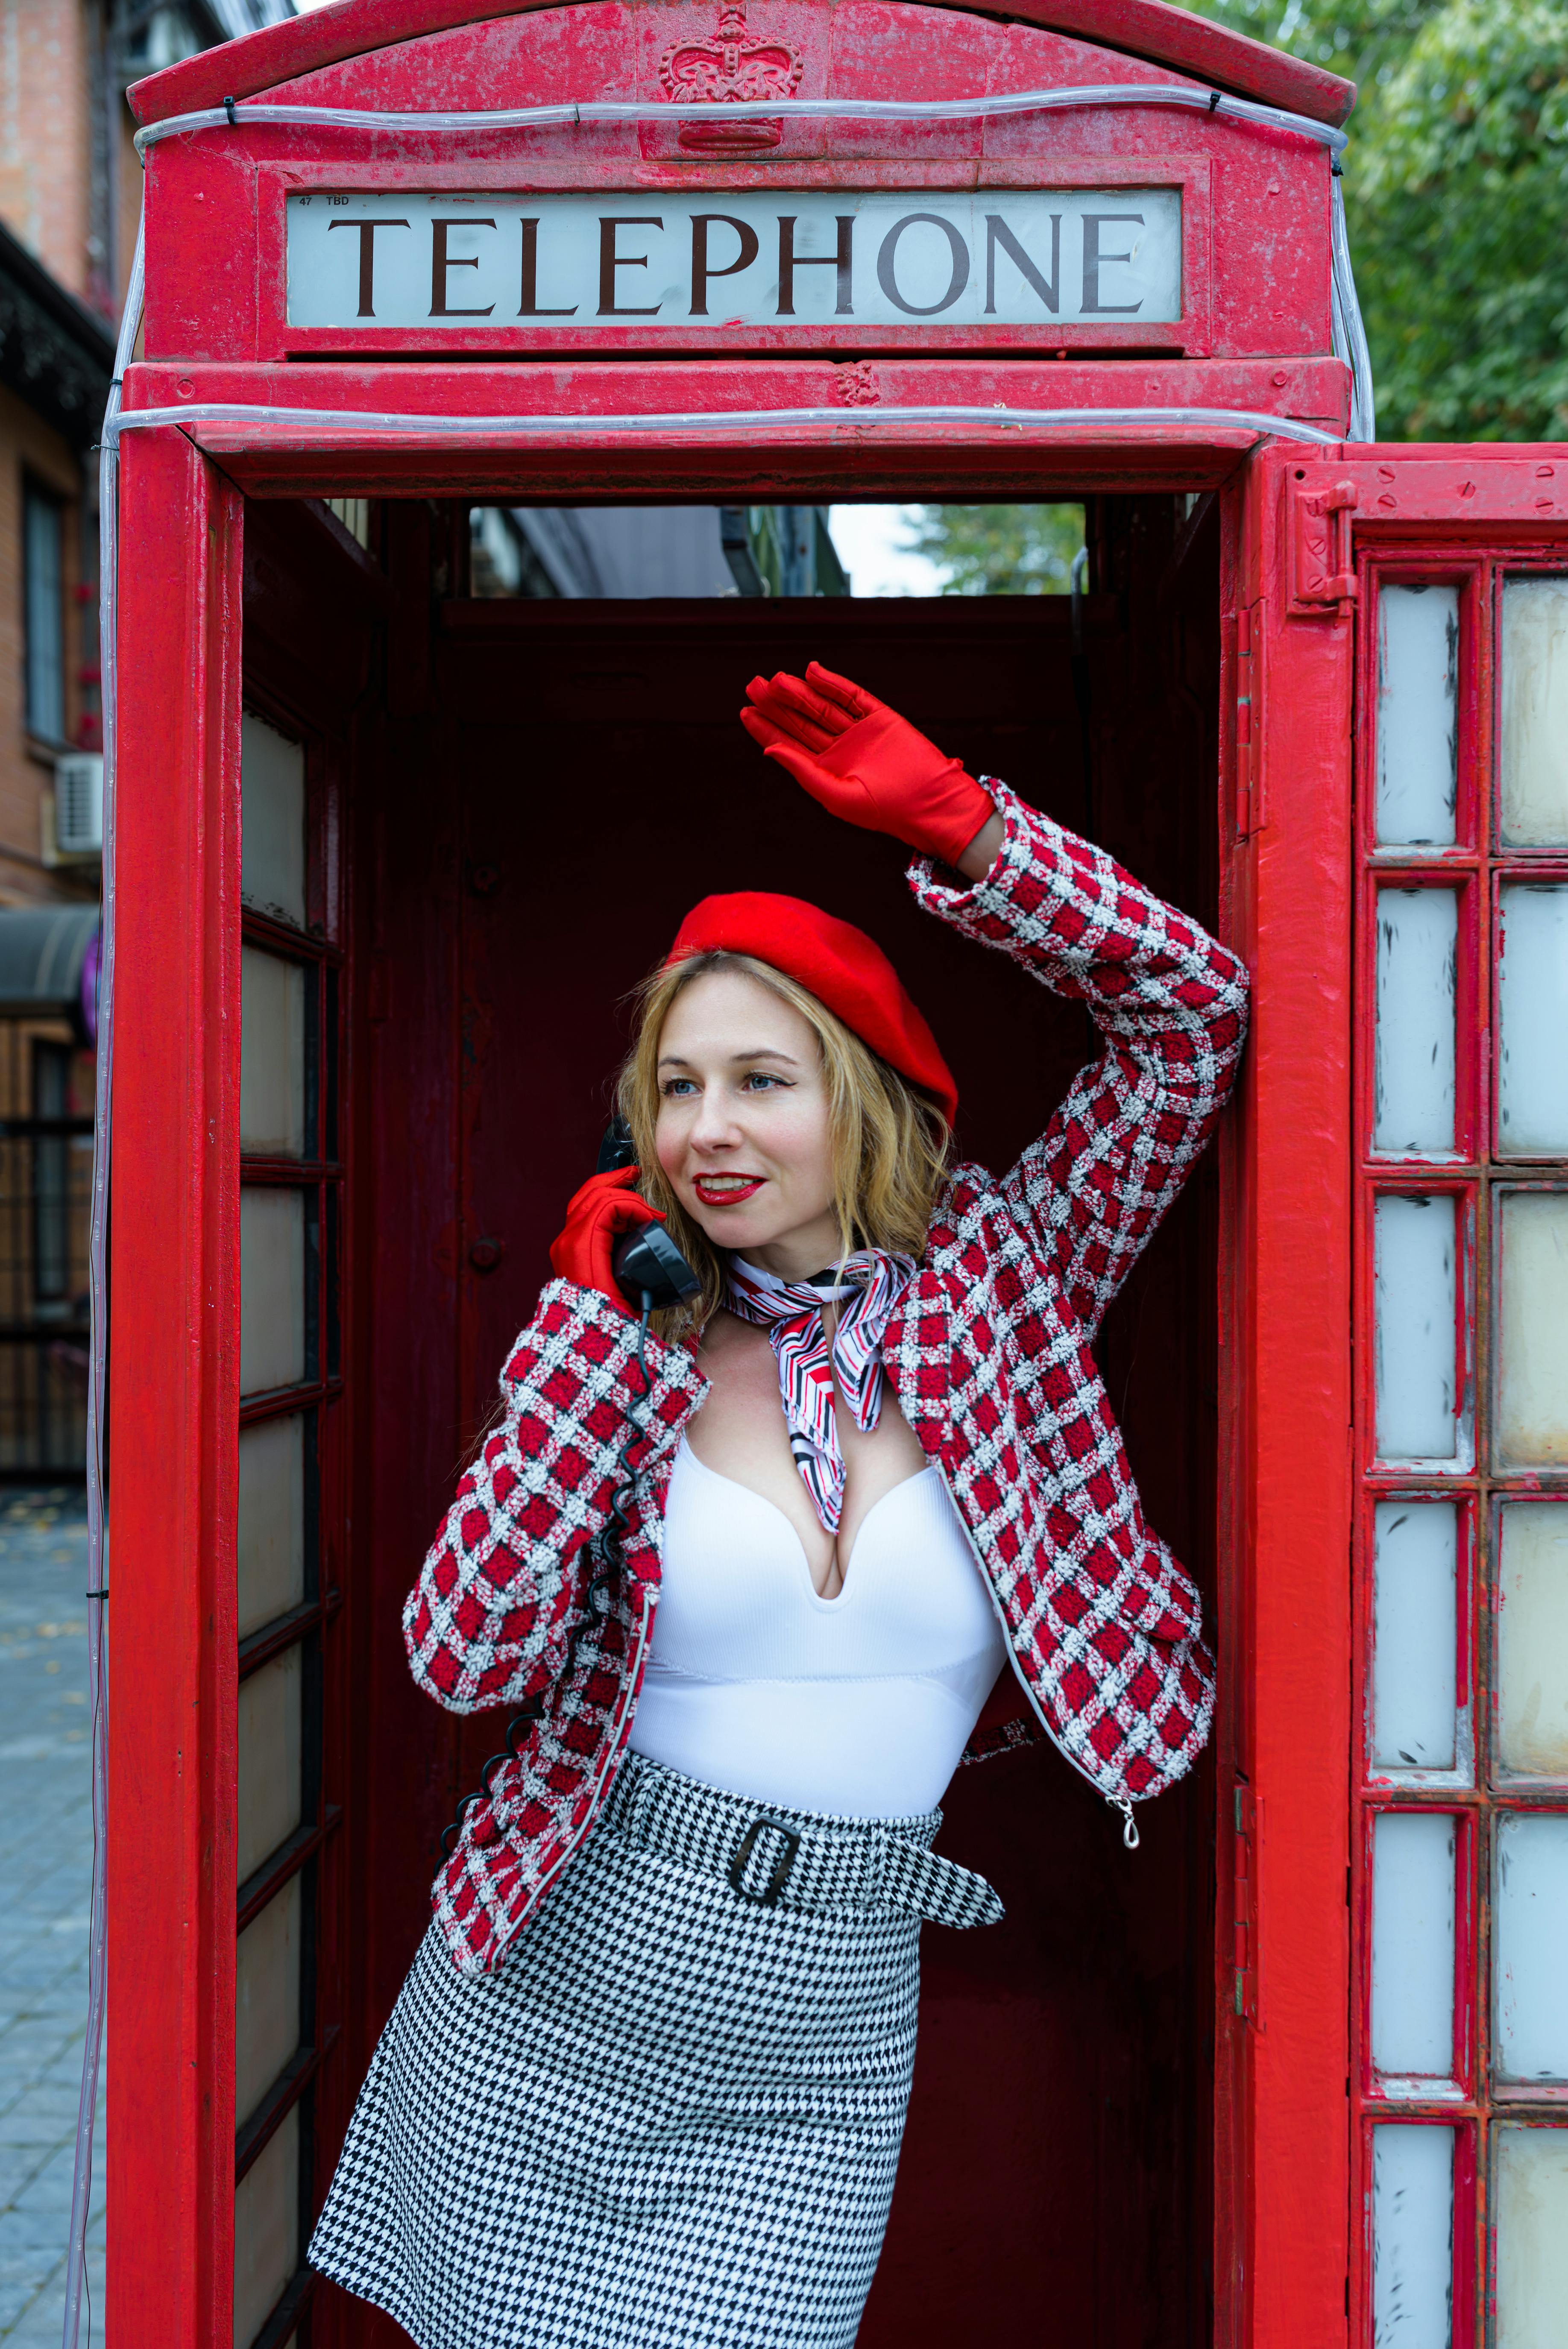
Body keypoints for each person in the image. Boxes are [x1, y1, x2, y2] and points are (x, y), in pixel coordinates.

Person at [309, 663, 1250, 2349]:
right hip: (562, 1984)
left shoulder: (1014, 1280)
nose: (711, 1128)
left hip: (825, 2033)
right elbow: (460, 1655)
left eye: (762, 1078)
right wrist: (609, 1336)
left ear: (863, 1091)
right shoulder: (619, 1335)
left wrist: (972, 836)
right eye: (676, 1087)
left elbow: (1193, 1018)